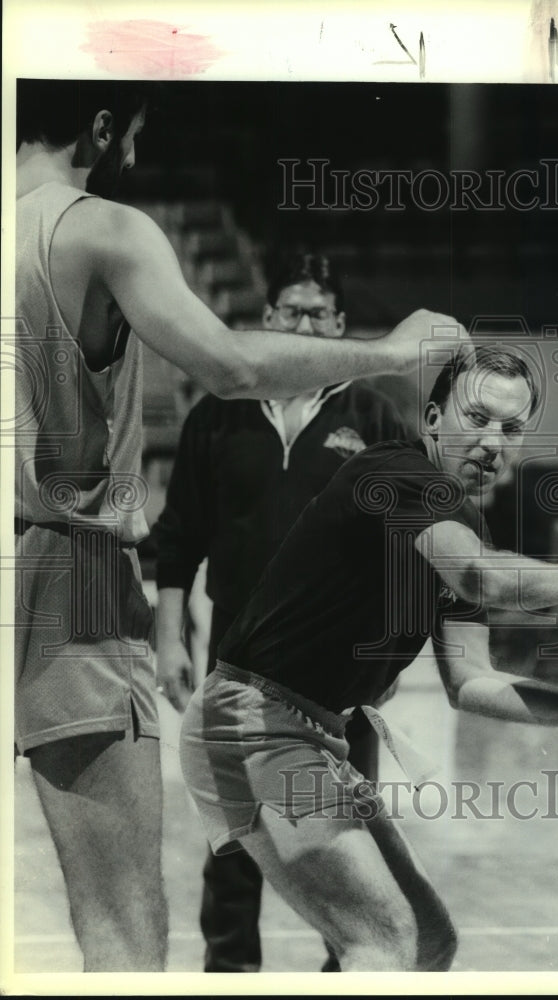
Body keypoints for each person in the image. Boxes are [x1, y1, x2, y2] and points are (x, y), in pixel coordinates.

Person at [13, 78, 462, 972]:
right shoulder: (100, 225)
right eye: (131, 134)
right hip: (70, 572)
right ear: (102, 126)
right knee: (123, 928)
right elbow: (226, 365)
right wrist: (393, 351)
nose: (133, 156)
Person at [179, 344, 558, 972]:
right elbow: (484, 579)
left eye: (510, 428)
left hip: (314, 735)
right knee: (383, 938)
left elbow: (471, 681)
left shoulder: (463, 525)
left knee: (426, 942)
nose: (492, 441)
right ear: (431, 420)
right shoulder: (395, 472)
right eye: (475, 418)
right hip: (252, 722)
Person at [153, 251, 409, 972]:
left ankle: (351, 971)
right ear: (266, 322)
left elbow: (407, 550)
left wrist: (387, 653)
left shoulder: (375, 417)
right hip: (236, 661)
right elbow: (179, 538)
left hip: (339, 674)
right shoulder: (219, 415)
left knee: (342, 838)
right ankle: (230, 973)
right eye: (290, 312)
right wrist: (169, 635)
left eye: (318, 315)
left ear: (340, 328)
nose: (303, 324)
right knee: (233, 839)